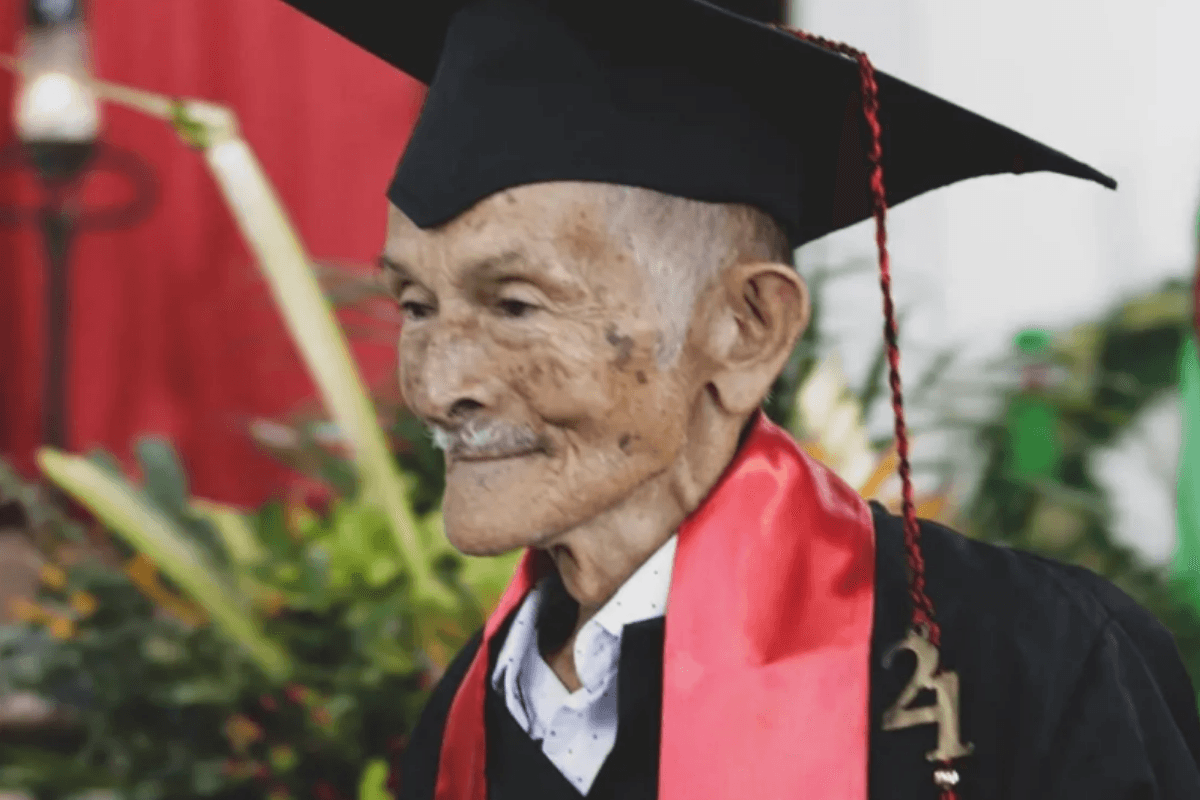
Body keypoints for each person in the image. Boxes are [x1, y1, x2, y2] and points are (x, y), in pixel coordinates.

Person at [281, 1, 1200, 798]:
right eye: (416, 305)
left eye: (516, 305)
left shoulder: (1029, 664)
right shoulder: (468, 719)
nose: (438, 386)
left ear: (747, 327)